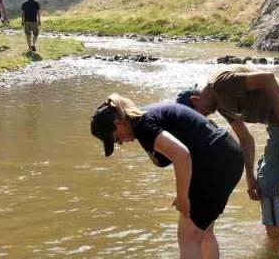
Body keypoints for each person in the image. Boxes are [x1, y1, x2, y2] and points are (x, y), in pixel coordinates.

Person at [91, 94, 243, 259]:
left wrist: (183, 198)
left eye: (114, 138)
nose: (119, 142)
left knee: (187, 238)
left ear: (119, 122)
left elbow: (181, 155)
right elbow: (171, 156)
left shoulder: (143, 125)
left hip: (213, 161)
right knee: (203, 232)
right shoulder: (147, 117)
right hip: (229, 153)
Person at [177, 66, 279, 239]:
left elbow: (268, 78)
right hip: (278, 125)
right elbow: (245, 138)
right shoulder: (219, 105)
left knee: (267, 183)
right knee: (262, 172)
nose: (204, 119)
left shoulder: (221, 83)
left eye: (198, 116)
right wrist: (249, 176)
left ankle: (274, 246)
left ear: (195, 99)